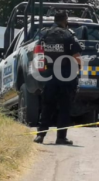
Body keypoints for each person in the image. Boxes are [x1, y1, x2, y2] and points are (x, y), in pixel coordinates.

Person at [33, 12, 83, 145]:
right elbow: (76, 55)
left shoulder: (45, 35)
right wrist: (80, 69)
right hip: (66, 75)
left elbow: (39, 53)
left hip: (50, 75)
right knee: (64, 107)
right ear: (65, 20)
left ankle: (40, 135)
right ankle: (61, 137)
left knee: (47, 106)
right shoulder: (68, 35)